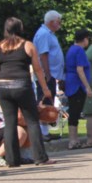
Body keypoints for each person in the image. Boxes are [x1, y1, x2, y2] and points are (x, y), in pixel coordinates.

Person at [0, 17, 55, 167]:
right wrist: (45, 88)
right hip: (22, 86)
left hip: (3, 86)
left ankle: (12, 160)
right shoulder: (27, 45)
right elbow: (38, 69)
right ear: (20, 28)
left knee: (10, 122)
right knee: (32, 120)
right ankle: (40, 157)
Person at [32, 10, 64, 140]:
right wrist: (47, 74)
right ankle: (42, 133)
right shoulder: (44, 34)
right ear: (51, 22)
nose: (60, 24)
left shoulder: (49, 34)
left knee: (47, 103)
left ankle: (45, 132)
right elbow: (43, 55)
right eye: (58, 22)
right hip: (46, 75)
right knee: (43, 102)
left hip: (50, 74)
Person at [64, 29, 92, 150]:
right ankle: (73, 140)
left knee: (73, 112)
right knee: (75, 112)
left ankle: (74, 139)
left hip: (70, 82)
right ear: (85, 39)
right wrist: (87, 87)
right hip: (77, 85)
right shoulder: (80, 50)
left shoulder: (71, 49)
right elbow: (80, 70)